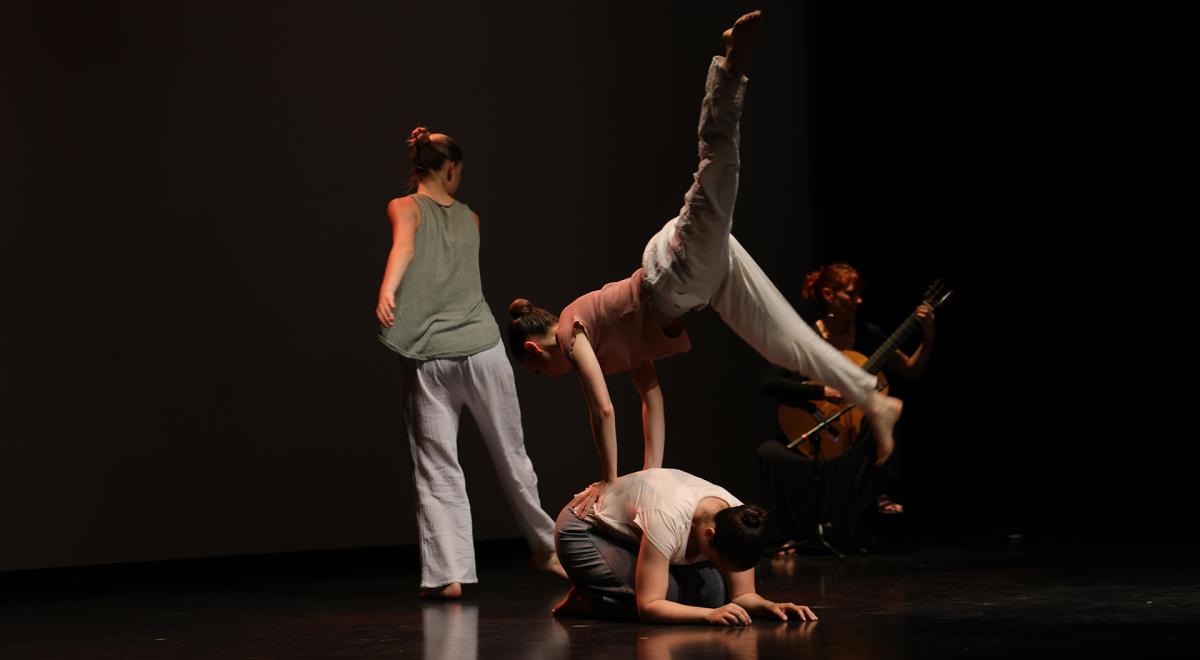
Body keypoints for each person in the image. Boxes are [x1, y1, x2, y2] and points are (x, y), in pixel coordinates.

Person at [506, 11, 902, 513]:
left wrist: (608, 483)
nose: (552, 378)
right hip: (699, 282)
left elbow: (602, 409)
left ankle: (730, 67)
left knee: (718, 167)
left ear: (535, 351)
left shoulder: (571, 332)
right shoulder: (610, 346)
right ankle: (873, 399)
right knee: (786, 344)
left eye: (541, 372)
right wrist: (650, 480)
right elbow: (652, 401)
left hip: (672, 270)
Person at [376, 126, 565, 598]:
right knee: (512, 454)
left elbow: (404, 247)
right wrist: (389, 286)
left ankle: (447, 576)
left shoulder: (403, 206)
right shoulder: (471, 218)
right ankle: (545, 547)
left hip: (429, 356)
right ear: (451, 169)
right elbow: (408, 249)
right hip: (483, 348)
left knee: (437, 466)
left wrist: (387, 290)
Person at [759, 262, 935, 550]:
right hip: (815, 430)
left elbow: (910, 370)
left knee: (885, 413)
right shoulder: (805, 338)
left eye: (859, 295)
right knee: (768, 452)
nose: (859, 301)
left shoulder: (868, 335)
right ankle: (788, 536)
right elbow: (770, 383)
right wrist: (822, 391)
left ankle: (877, 496)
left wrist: (928, 336)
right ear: (829, 295)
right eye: (851, 294)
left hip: (852, 440)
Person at [553, 467, 818, 625]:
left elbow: (742, 596)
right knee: (670, 598)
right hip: (585, 530)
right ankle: (588, 600)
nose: (720, 569)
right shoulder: (667, 517)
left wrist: (769, 607)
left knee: (713, 596)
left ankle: (607, 589)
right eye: (719, 563)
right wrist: (707, 616)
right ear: (709, 535)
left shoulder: (739, 520)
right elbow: (650, 606)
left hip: (629, 537)